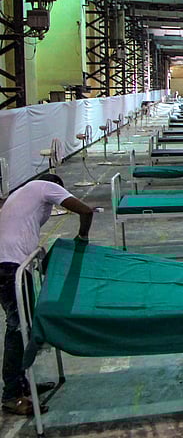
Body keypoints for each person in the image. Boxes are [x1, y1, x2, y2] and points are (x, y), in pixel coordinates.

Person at [0, 174, 94, 416]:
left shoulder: (20, 194)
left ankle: (22, 384)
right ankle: (11, 395)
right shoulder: (46, 186)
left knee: (24, 326)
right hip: (11, 267)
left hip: (10, 264)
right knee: (18, 328)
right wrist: (82, 238)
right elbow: (86, 211)